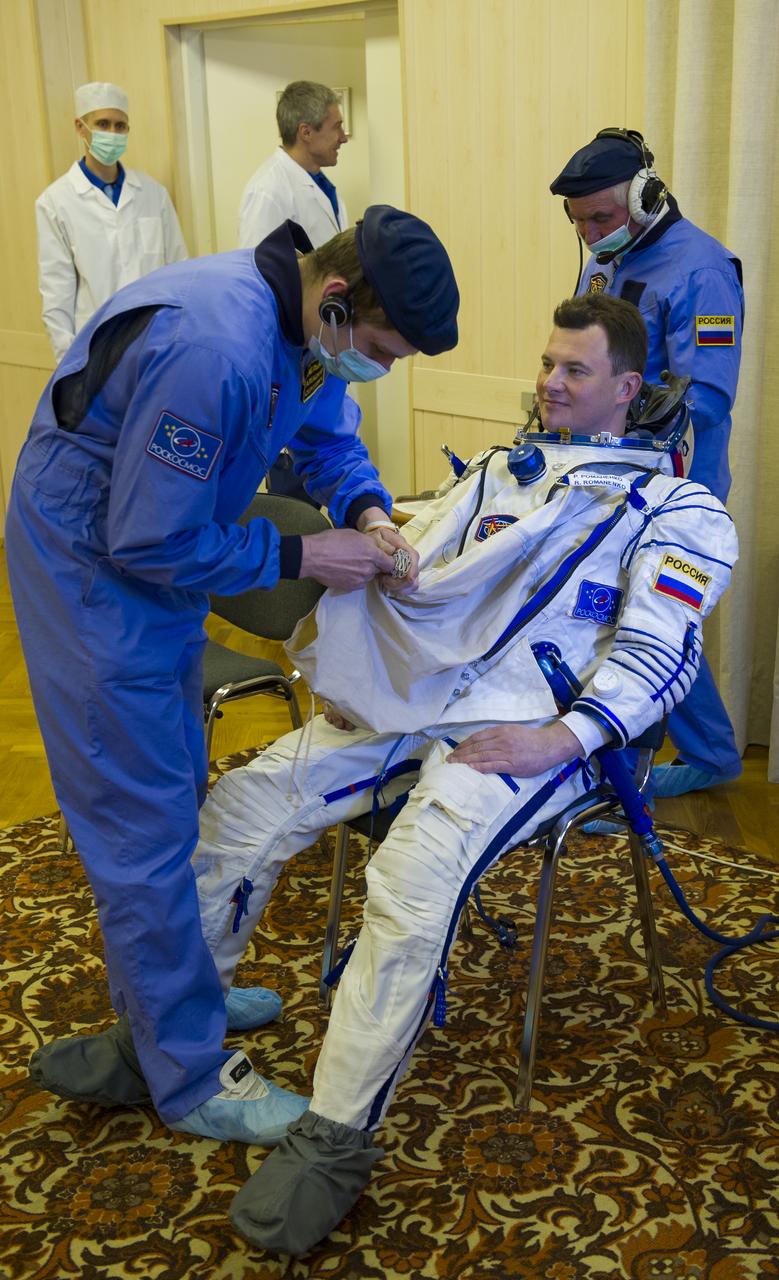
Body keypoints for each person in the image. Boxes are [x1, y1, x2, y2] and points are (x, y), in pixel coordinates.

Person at [39, 295, 735, 1254]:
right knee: (244, 803)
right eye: (545, 364)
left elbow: (665, 652)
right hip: (420, 704)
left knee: (407, 878)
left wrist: (567, 738)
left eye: (574, 372)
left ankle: (335, 1138)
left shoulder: (676, 510)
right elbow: (412, 574)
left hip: (537, 736)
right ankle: (160, 1032)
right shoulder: (504, 471)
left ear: (625, 387)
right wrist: (359, 666)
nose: (551, 384)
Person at [11, 205, 459, 1146]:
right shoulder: (213, 345)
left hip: (157, 553)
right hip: (93, 568)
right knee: (140, 823)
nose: (386, 367)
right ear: (338, 300)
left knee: (171, 786)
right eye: (386, 348)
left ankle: (176, 1000)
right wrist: (302, 560)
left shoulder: (304, 326)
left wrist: (370, 511)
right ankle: (186, 1074)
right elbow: (148, 537)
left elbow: (327, 435)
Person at [551, 127, 745, 798]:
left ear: (644, 195)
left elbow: (709, 399)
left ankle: (680, 760)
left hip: (674, 481)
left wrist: (624, 408)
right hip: (605, 466)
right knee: (622, 615)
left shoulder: (702, 269)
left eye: (599, 217)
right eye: (576, 221)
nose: (588, 232)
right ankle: (696, 753)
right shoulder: (605, 256)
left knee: (653, 614)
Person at [36, 81, 188, 362]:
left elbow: (180, 273)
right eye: (102, 124)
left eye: (120, 126)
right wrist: (71, 369)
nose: (112, 133)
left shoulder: (154, 194)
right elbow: (57, 296)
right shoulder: (56, 202)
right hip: (96, 352)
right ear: (81, 127)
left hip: (157, 345)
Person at [239, 81, 348, 250]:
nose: (343, 138)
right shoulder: (267, 191)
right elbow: (258, 270)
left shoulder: (320, 183)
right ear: (306, 132)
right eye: (337, 127)